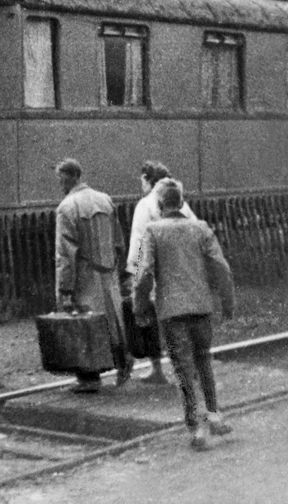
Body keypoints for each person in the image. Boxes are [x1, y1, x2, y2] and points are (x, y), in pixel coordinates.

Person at [134, 178, 236, 451]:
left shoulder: (152, 231)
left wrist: (139, 305)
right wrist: (227, 302)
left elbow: (143, 274)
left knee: (184, 370)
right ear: (181, 202)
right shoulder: (200, 228)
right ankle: (214, 416)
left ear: (159, 204)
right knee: (204, 364)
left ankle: (198, 429)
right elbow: (221, 267)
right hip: (201, 308)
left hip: (172, 312)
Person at [54, 158, 133, 394]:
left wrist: (65, 289)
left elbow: (65, 254)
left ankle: (89, 378)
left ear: (65, 178)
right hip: (107, 273)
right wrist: (119, 271)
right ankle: (122, 360)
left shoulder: (67, 207)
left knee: (84, 323)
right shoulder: (105, 200)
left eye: (60, 179)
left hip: (84, 275)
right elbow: (119, 241)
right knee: (112, 321)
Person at [123, 160, 199, 385]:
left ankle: (157, 369)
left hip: (155, 271)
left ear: (148, 180)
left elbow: (139, 241)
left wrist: (133, 272)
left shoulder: (144, 205)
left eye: (142, 180)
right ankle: (189, 367)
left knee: (151, 320)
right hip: (181, 270)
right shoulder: (181, 204)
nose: (141, 185)